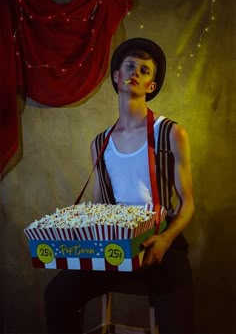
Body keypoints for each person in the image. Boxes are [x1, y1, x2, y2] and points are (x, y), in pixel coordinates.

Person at [45, 37, 195, 334]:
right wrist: (80, 234)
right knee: (57, 293)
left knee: (178, 323)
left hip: (162, 245)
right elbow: (101, 205)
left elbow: (188, 204)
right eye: (130, 66)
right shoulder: (100, 144)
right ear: (117, 76)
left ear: (151, 86)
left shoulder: (171, 133)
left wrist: (166, 240)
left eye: (144, 70)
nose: (135, 72)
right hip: (118, 246)